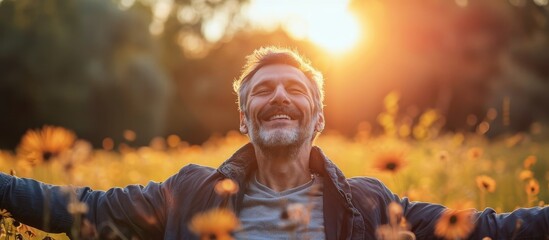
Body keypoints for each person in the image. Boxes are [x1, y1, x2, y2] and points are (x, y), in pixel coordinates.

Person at [0, 46, 547, 240]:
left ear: (319, 117)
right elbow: (81, 211)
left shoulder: (369, 204)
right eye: (263, 90)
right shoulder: (190, 192)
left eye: (295, 88)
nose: (279, 96)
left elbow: (487, 230)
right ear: (244, 118)